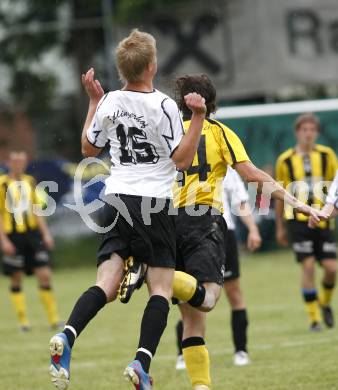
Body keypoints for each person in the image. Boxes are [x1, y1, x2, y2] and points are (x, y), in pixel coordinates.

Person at [121, 75, 327, 390]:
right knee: (209, 298)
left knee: (192, 319)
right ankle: (148, 269)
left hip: (165, 221)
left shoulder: (167, 131)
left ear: (181, 101)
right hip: (202, 219)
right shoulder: (219, 132)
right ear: (210, 102)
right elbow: (252, 175)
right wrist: (297, 203)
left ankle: (201, 386)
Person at [49, 29, 207, 390]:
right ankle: (141, 363)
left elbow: (89, 148)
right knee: (161, 290)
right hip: (152, 201)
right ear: (152, 66)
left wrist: (94, 100)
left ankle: (68, 336)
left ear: (122, 69)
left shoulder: (109, 102)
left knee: (106, 282)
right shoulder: (164, 105)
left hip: (115, 196)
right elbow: (181, 161)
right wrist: (197, 117)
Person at [175, 166, 261, 370]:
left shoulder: (225, 165)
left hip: (221, 231)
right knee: (186, 298)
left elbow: (240, 200)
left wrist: (253, 228)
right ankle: (183, 353)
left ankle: (241, 350)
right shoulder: (177, 160)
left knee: (233, 291)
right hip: (185, 230)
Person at [275, 113, 337, 331]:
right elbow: (280, 194)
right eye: (304, 129)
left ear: (317, 133)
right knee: (308, 266)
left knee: (332, 268)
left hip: (324, 219)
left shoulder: (328, 156)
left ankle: (325, 303)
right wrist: (280, 227)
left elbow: (335, 189)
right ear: (297, 132)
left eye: (312, 129)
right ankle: (314, 319)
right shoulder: (285, 160)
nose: (308, 133)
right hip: (298, 221)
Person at [0, 151, 60, 331]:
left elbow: (37, 211)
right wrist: (3, 241)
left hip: (32, 235)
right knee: (16, 278)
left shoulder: (30, 182)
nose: (19, 165)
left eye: (22, 162)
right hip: (13, 236)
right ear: (9, 163)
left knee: (44, 274)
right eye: (16, 161)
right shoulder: (2, 184)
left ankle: (54, 320)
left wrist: (46, 234)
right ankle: (23, 322)